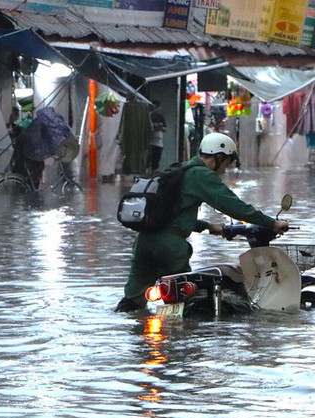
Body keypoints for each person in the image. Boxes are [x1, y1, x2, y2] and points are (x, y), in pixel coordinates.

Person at [116, 132, 290, 312]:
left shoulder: (180, 170)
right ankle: (183, 335)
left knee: (132, 303)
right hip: (169, 249)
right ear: (219, 157)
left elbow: (172, 215)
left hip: (144, 243)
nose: (224, 170)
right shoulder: (202, 175)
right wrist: (271, 223)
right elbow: (233, 206)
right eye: (227, 163)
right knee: (185, 304)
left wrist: (207, 226)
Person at [149, 101, 166, 171]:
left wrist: (160, 127)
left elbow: (165, 128)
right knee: (149, 160)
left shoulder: (160, 117)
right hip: (150, 141)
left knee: (156, 160)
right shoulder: (149, 116)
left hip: (159, 142)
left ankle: (153, 173)